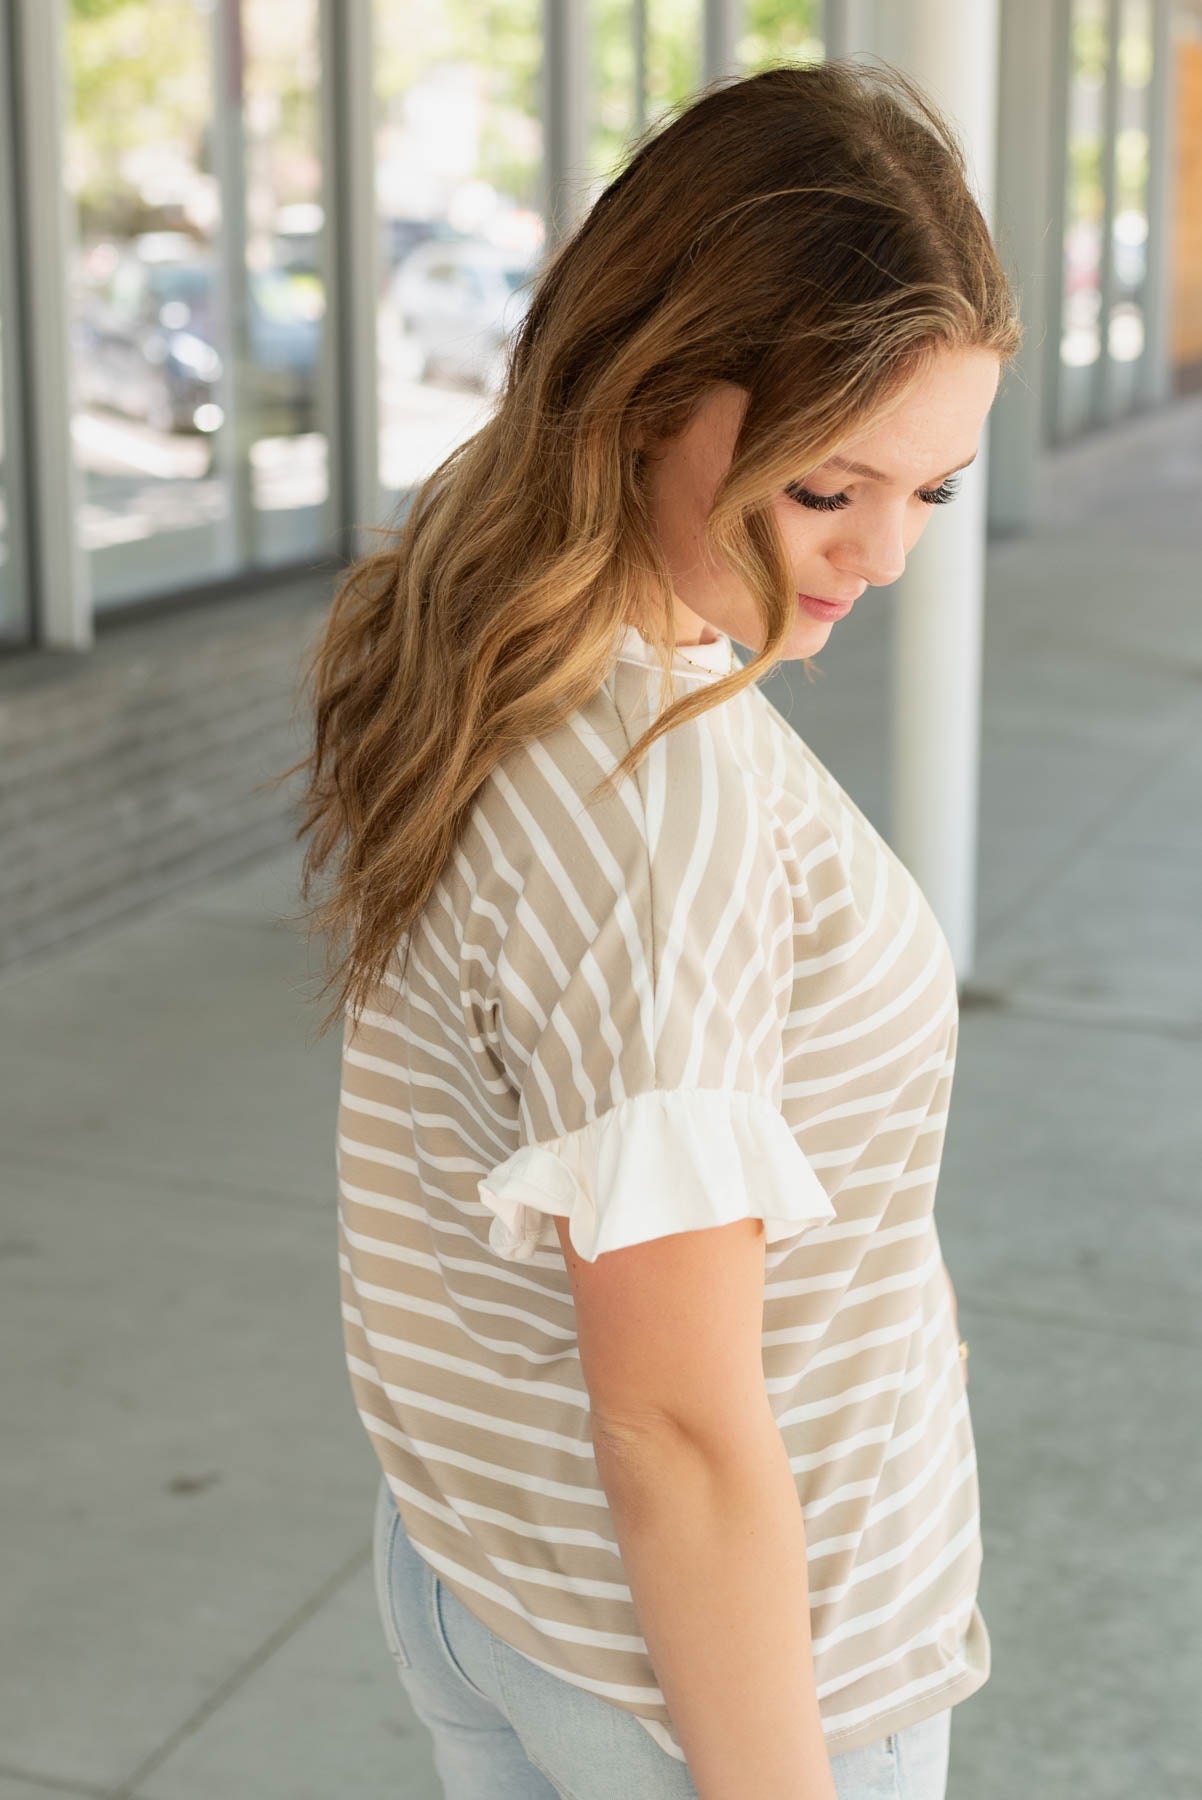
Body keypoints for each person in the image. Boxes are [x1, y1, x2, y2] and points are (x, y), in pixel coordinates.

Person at [292, 56, 1021, 1800]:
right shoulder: (658, 800)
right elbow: (677, 1427)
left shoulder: (485, 625)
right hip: (722, 1673)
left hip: (502, 1573)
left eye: (930, 490)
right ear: (648, 401)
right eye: (828, 486)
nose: (883, 554)